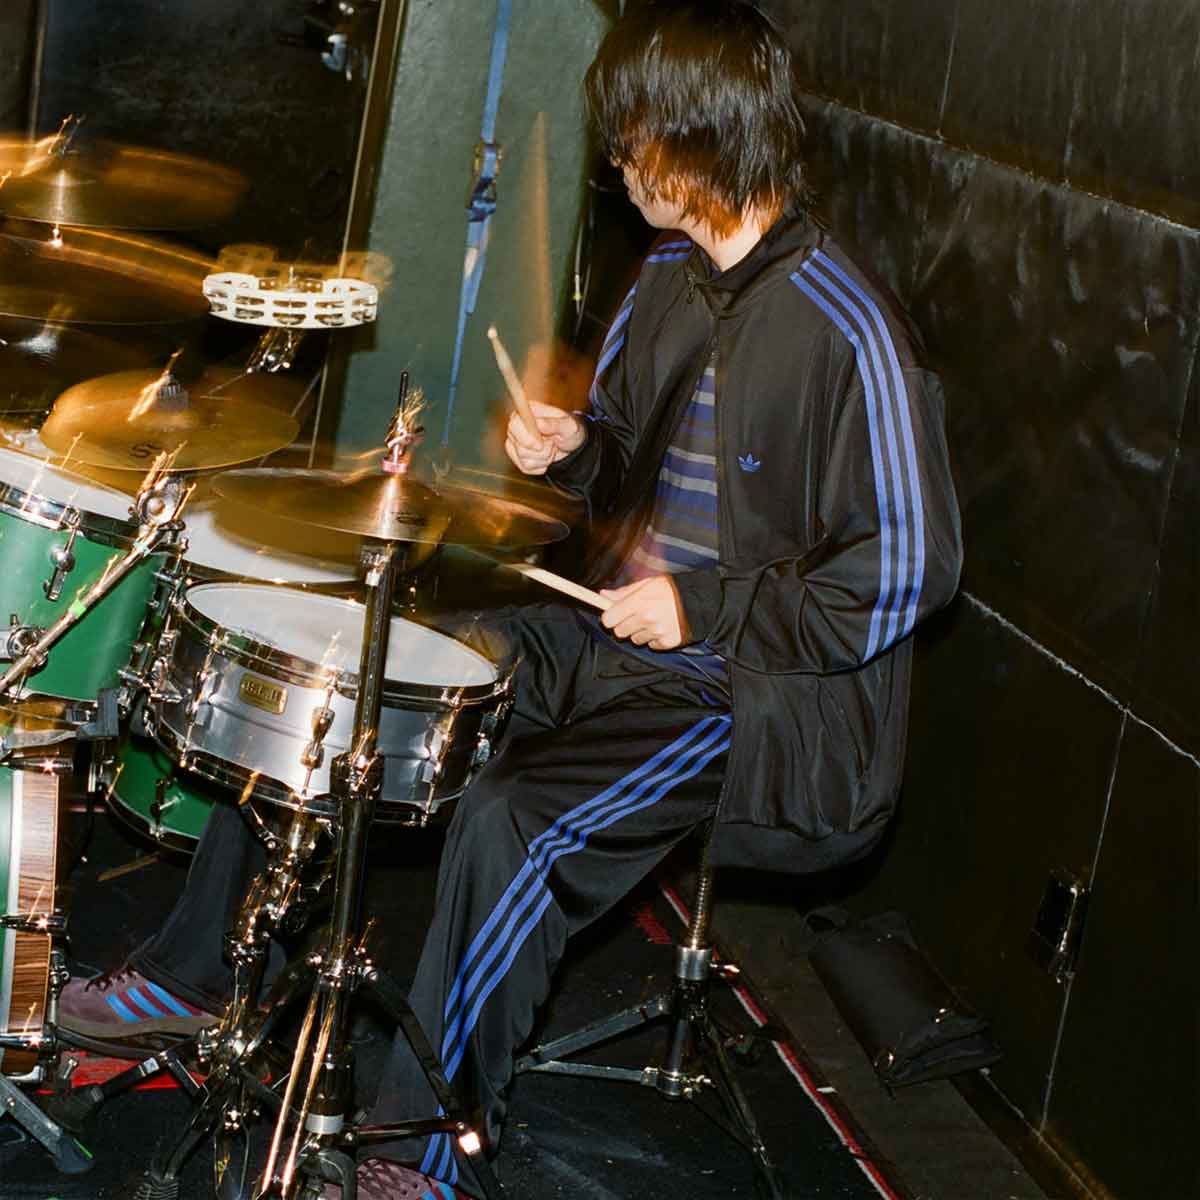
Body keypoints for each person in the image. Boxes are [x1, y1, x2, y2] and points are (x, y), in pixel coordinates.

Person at [59, 3, 963, 1197]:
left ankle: (419, 1152)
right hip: (606, 634)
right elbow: (626, 464)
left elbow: (909, 567)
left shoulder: (852, 329)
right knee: (347, 670)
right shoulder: (668, 278)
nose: (616, 159)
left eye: (631, 134)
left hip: (750, 694)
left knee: (514, 823)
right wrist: (572, 450)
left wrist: (704, 606)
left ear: (696, 137)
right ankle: (195, 979)